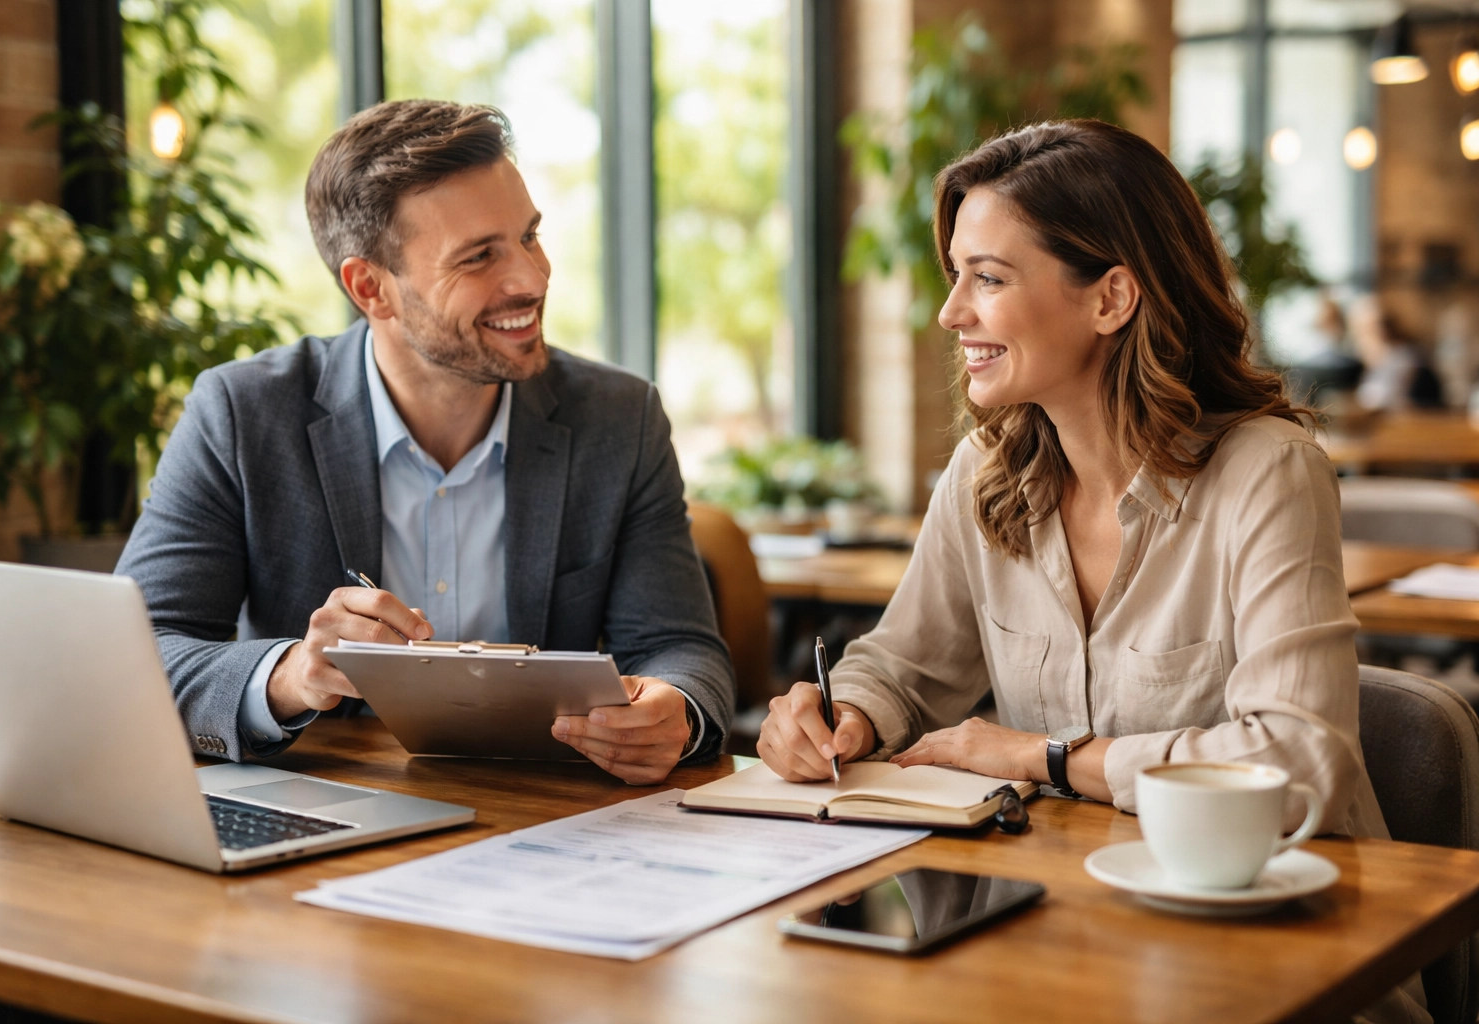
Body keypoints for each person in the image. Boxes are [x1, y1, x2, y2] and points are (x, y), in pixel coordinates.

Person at [756, 120, 1422, 1021]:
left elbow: (1297, 764)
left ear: (1111, 299)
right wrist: (844, 715)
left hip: (1278, 961)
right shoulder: (984, 476)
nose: (952, 312)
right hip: (1063, 946)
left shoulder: (1267, 472)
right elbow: (904, 668)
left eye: (988, 278)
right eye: (957, 275)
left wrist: (1045, 758)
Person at [116, 100, 734, 785]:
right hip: (325, 820)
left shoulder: (618, 417)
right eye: (478, 257)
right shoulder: (242, 413)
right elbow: (132, 657)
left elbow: (678, 648)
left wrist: (677, 710)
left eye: (528, 236)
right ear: (370, 287)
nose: (531, 278)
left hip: (549, 820)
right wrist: (290, 675)